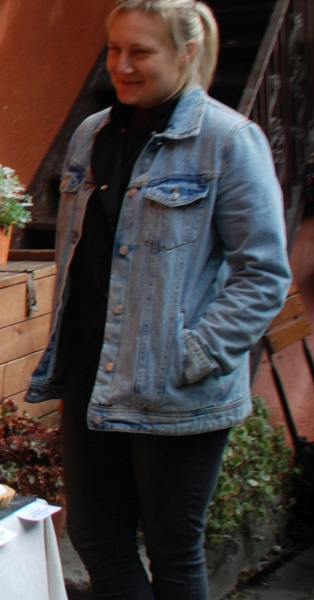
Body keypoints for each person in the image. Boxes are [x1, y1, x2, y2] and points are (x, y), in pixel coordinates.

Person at [26, 1, 291, 598]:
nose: (121, 65)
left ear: (186, 54)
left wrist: (192, 354)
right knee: (96, 537)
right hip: (92, 373)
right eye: (115, 49)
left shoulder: (228, 141)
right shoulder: (91, 134)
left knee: (173, 551)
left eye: (140, 51)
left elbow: (265, 273)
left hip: (177, 388)